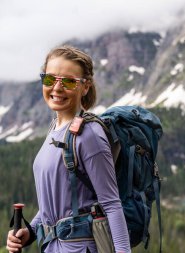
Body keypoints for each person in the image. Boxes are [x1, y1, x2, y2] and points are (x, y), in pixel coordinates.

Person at [6, 45, 131, 253]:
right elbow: (53, 207)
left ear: (85, 86)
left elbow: (111, 205)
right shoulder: (55, 128)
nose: (56, 88)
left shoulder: (89, 135)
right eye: (49, 79)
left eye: (69, 81)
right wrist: (30, 232)